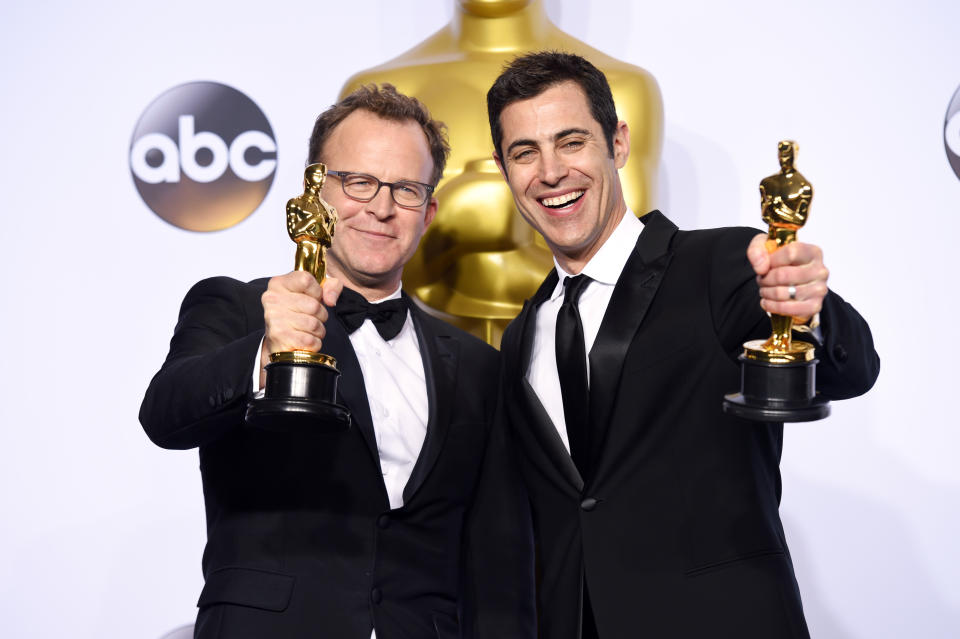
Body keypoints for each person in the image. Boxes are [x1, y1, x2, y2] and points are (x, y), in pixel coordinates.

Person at [486, 51, 880, 639]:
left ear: (617, 143)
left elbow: (854, 369)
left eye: (571, 142)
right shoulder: (521, 334)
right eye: (525, 152)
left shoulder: (721, 265)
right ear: (503, 168)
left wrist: (809, 309)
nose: (550, 172)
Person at [140, 84, 534, 639]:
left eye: (405, 188)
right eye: (359, 181)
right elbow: (165, 414)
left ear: (429, 212)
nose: (381, 206)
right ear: (314, 194)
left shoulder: (479, 367)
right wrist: (266, 353)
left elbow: (499, 555)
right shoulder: (236, 307)